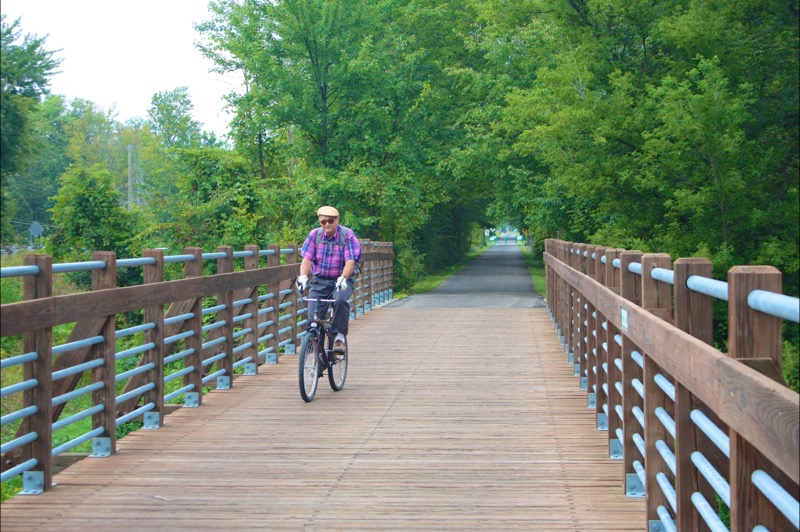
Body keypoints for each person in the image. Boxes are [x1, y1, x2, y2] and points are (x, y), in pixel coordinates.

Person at [295, 206, 362, 355]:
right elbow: (307, 258)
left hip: (341, 280)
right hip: (319, 280)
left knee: (339, 301)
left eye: (330, 221)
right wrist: (303, 276)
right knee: (313, 316)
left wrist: (343, 278)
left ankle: (339, 337)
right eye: (323, 221)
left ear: (337, 220)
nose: (327, 224)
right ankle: (313, 343)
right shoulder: (315, 235)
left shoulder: (347, 235)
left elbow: (351, 261)